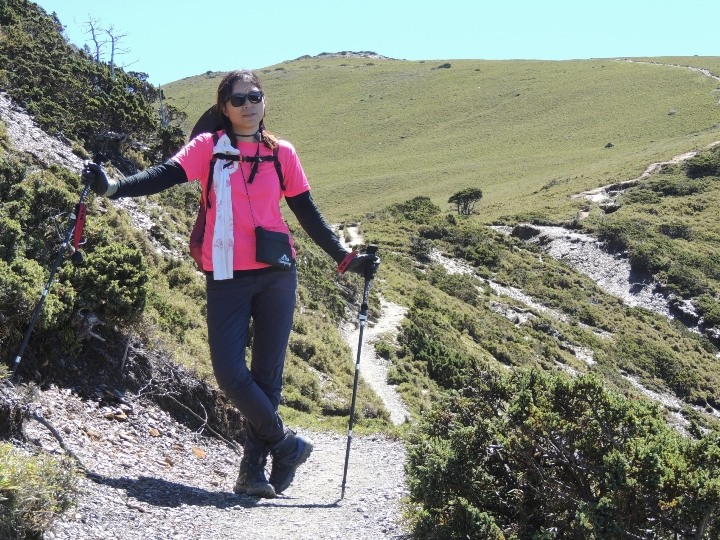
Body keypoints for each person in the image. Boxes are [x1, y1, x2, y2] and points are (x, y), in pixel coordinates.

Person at [82, 69, 379, 499]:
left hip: (278, 272)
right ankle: (285, 444)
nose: (247, 105)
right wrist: (112, 187)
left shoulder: (283, 153)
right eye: (238, 99)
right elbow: (162, 175)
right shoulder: (207, 148)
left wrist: (345, 258)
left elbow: (307, 213)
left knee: (266, 377)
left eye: (254, 96)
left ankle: (253, 472)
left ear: (264, 102)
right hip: (226, 274)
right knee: (229, 372)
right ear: (224, 108)